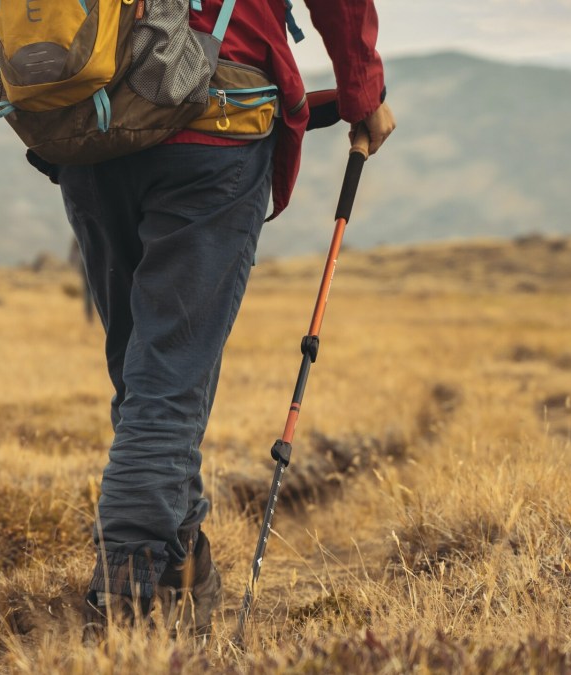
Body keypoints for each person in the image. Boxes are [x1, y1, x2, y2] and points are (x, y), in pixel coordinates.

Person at [57, 0, 395, 637]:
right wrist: (363, 91)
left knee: (145, 378)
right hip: (213, 118)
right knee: (163, 384)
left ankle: (183, 567)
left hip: (90, 125)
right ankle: (122, 601)